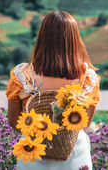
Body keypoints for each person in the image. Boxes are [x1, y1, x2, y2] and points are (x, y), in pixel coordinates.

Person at [6, 10, 101, 169]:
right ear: (74, 39)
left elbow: (14, 122)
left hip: (32, 154)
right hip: (74, 155)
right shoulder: (88, 79)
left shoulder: (22, 75)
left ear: (42, 38)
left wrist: (40, 131)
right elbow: (85, 123)